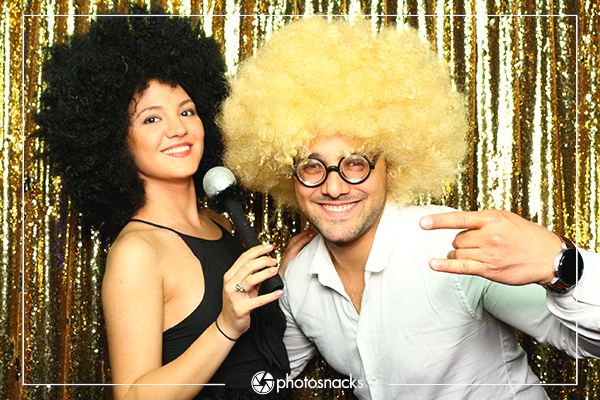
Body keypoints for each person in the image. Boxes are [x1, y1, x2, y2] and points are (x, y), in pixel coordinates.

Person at [219, 18, 600, 400]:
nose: (333, 188)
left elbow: (586, 343)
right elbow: (267, 381)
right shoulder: (299, 280)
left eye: (356, 163)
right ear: (289, 176)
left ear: (392, 165)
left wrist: (562, 267)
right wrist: (238, 320)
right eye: (311, 166)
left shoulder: (452, 246)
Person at [35, 8, 292, 400]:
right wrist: (225, 326)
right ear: (117, 140)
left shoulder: (222, 223)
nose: (178, 128)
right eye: (151, 119)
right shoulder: (137, 252)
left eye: (186, 111)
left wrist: (286, 275)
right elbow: (133, 395)